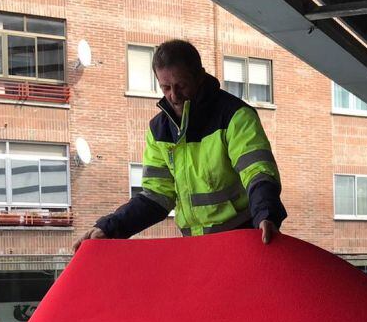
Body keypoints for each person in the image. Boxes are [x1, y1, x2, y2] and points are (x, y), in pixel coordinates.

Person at [74, 39, 286, 252]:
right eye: (165, 87)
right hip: (194, 248)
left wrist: (266, 214)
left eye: (181, 85)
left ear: (200, 76)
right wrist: (109, 228)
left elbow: (257, 172)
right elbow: (156, 196)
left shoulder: (235, 117)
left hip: (242, 241)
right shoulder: (158, 130)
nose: (173, 96)